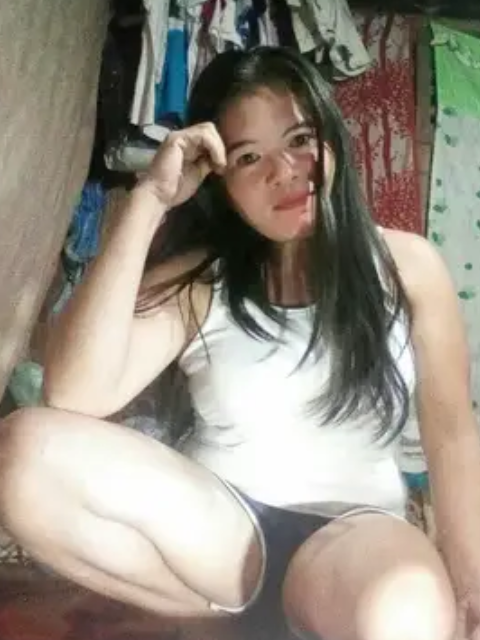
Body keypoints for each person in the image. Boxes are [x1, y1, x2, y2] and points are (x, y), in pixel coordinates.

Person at [0, 46, 479, 640]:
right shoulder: (202, 281)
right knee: (23, 453)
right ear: (221, 180)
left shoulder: (408, 266)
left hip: (355, 539)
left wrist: (469, 578)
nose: (284, 171)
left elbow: (451, 434)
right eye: (249, 157)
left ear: (332, 138)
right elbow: (74, 394)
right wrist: (149, 201)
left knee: (404, 613)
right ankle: (226, 619)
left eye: (299, 139)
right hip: (221, 535)